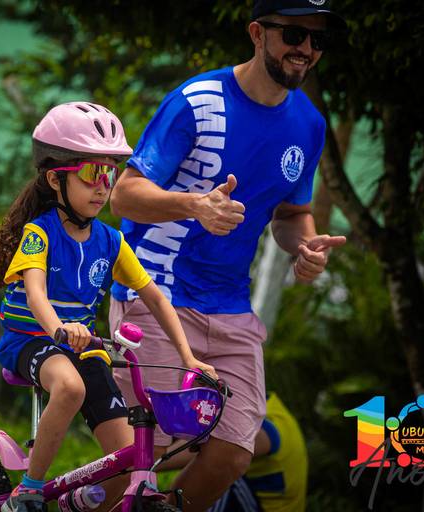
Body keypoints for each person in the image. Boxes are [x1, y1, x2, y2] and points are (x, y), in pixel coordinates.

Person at [108, 1, 347, 510]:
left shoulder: (309, 125)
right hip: (156, 292)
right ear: (257, 33)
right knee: (155, 448)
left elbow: (291, 213)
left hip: (231, 307)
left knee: (235, 450)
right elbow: (123, 196)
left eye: (318, 40)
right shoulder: (197, 102)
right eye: (294, 34)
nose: (306, 49)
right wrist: (194, 205)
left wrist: (305, 244)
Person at [0, 101, 216, 512]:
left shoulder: (111, 241)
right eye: (92, 173)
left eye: (110, 174)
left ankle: (75, 501)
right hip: (30, 340)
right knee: (70, 387)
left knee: (129, 460)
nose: (103, 186)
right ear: (55, 179)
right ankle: (28, 490)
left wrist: (188, 357)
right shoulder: (39, 233)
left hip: (82, 347)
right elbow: (36, 294)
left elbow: (155, 298)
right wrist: (60, 329)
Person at [208, 393, 308, 512]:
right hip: (255, 495)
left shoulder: (269, 427)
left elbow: (223, 446)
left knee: (216, 471)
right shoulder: (269, 405)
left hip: (264, 507)